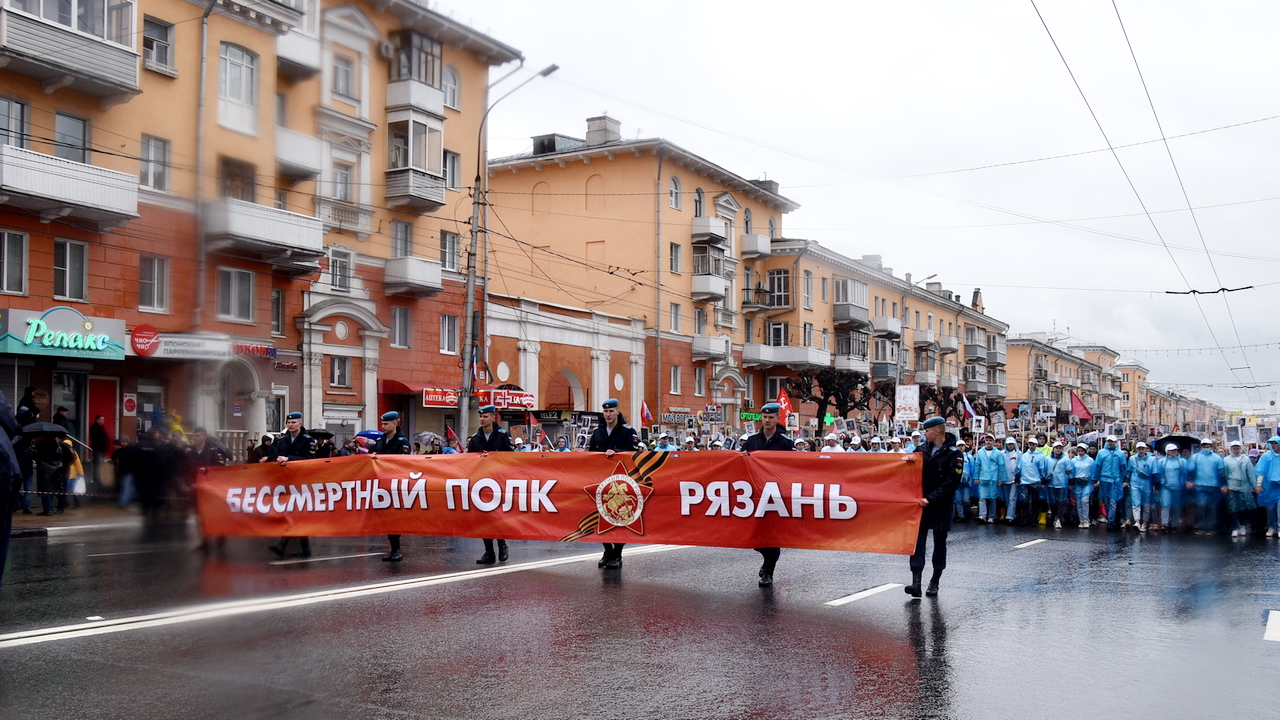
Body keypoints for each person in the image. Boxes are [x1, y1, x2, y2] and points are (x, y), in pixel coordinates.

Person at [903, 417, 963, 599]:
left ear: (936, 431)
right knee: (917, 544)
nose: (924, 434)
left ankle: (935, 581)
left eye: (927, 431)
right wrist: (907, 462)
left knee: (939, 544)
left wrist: (931, 498)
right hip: (921, 504)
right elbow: (910, 471)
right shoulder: (921, 450)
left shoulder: (954, 454)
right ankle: (916, 583)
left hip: (940, 504)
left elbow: (952, 482)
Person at [740, 402, 794, 587]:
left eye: (771, 417)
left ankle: (769, 571)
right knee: (753, 533)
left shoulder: (786, 443)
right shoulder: (752, 441)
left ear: (778, 419)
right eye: (765, 417)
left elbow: (794, 468)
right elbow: (740, 465)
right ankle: (766, 559)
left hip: (777, 495)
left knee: (773, 535)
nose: (767, 420)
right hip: (754, 494)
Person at [587, 398, 642, 570]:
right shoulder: (597, 432)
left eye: (611, 411)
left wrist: (616, 452)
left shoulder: (627, 431)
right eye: (606, 411)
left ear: (618, 411)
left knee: (621, 516)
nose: (608, 415)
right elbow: (591, 454)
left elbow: (635, 452)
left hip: (621, 480)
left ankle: (617, 554)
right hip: (601, 480)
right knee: (600, 514)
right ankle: (607, 550)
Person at [265, 412, 318, 558]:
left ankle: (283, 545)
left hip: (301, 481)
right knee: (293, 513)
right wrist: (268, 459)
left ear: (300, 423)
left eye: (294, 422)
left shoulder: (308, 440)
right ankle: (304, 548)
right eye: (288, 423)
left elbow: (310, 459)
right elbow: (277, 455)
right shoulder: (282, 440)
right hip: (285, 481)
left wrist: (289, 459)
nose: (290, 425)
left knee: (296, 513)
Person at [466, 404, 514, 564]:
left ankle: (502, 544)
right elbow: (470, 461)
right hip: (481, 483)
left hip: (499, 482)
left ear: (493, 417)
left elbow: (511, 458)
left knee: (497, 516)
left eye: (485, 416)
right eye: (480, 416)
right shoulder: (475, 438)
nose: (482, 419)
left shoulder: (502, 435)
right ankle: (489, 552)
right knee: (483, 518)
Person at [372, 411, 412, 562]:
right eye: (382, 423)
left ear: (395, 424)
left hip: (396, 485)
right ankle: (394, 549)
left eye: (386, 424)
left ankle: (397, 550)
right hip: (382, 485)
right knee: (388, 518)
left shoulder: (402, 442)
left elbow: (404, 462)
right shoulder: (380, 441)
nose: (383, 426)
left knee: (394, 517)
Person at [1188, 438, 1226, 534]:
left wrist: (1224, 485)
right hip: (1199, 485)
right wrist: (1189, 481)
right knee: (1201, 505)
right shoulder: (1195, 457)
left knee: (1212, 506)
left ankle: (1210, 527)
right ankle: (1202, 526)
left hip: (1214, 486)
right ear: (1201, 447)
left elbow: (1221, 472)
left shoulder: (1217, 458)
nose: (1206, 448)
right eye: (1204, 446)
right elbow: (1190, 470)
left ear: (1211, 446)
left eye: (1207, 446)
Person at [1093, 436, 1128, 531]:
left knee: (1113, 501)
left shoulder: (1120, 454)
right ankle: (1111, 517)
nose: (1110, 443)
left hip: (1116, 480)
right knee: (1106, 500)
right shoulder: (1101, 453)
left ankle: (1111, 522)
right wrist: (1095, 479)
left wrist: (1124, 479)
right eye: (1109, 441)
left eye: (1112, 441)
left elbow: (1123, 467)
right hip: (1104, 480)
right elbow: (1097, 466)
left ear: (1116, 442)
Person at [1223, 441, 1256, 538]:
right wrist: (1225, 485)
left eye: (1237, 448)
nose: (1236, 450)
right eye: (1234, 448)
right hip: (1231, 485)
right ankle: (1234, 528)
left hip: (1244, 486)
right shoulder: (1226, 460)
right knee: (1233, 508)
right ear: (1231, 449)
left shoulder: (1245, 459)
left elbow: (1250, 473)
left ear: (1240, 449)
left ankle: (1242, 525)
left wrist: (1254, 486)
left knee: (1243, 508)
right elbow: (1224, 474)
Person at [1154, 443, 1188, 532]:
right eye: (1172, 450)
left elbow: (1185, 474)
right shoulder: (1161, 462)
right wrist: (1158, 485)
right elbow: (1158, 474)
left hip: (1179, 487)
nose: (1174, 452)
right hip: (1166, 486)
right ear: (1167, 452)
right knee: (1165, 505)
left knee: (1176, 506)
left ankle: (1174, 525)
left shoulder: (1182, 462)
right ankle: (1165, 524)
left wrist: (1185, 484)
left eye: (1175, 450)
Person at [973, 434, 1006, 523]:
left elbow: (1001, 466)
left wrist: (1001, 479)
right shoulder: (980, 452)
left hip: (994, 478)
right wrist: (976, 477)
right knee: (982, 497)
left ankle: (992, 516)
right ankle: (982, 515)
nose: (988, 442)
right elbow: (977, 465)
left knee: (993, 498)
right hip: (983, 477)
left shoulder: (998, 453)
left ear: (994, 442)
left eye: (990, 440)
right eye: (987, 440)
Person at [1016, 438, 1048, 526]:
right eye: (1030, 444)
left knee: (1035, 501)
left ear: (1036, 445)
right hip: (1025, 481)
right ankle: (1025, 518)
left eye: (1033, 444)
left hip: (1036, 481)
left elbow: (1042, 469)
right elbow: (1019, 467)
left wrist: (1043, 480)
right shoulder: (1024, 455)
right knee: (1024, 501)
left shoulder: (1040, 456)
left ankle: (1034, 519)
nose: (1032, 446)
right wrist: (1017, 478)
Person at [1127, 442, 1157, 532]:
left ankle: (1145, 522)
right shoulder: (1132, 459)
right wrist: (1127, 481)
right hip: (1135, 483)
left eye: (1142, 449)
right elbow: (1129, 471)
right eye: (1139, 449)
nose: (1141, 450)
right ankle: (1137, 521)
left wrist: (1155, 485)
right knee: (1135, 503)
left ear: (1145, 449)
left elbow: (1154, 473)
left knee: (1146, 504)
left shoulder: (1152, 460)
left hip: (1147, 484)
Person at [1256, 436, 1280, 537]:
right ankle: (1272, 527)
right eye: (1272, 443)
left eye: (1275, 443)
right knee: (1270, 508)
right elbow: (1261, 471)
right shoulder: (1266, 457)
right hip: (1269, 487)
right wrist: (1258, 484)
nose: (1273, 445)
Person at [1046, 442, 1071, 528]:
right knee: (1052, 502)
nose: (1058, 450)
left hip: (1061, 483)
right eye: (1056, 448)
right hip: (1051, 483)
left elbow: (1069, 471)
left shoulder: (1065, 459)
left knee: (1060, 502)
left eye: (1060, 448)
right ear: (1053, 448)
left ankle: (1058, 519)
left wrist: (1071, 481)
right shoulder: (1047, 459)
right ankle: (1054, 516)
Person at [1071, 442, 1096, 527]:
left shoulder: (1090, 460)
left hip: (1087, 483)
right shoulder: (1074, 460)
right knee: (1079, 502)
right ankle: (1081, 519)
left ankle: (1086, 519)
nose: (1080, 452)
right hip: (1077, 483)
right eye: (1079, 451)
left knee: (1085, 501)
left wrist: (1094, 482)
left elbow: (1093, 471)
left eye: (1082, 451)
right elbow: (1071, 472)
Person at [1000, 437, 1020, 522]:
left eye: (1012, 444)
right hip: (1005, 479)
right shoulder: (1002, 454)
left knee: (1012, 498)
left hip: (1014, 479)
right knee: (1007, 498)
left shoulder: (1018, 453)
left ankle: (1010, 517)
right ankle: (1010, 513)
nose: (1010, 446)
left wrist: (1018, 477)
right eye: (1009, 444)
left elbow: (1020, 466)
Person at [89, 414, 111, 493]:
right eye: (101, 419)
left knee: (99, 465)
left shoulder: (99, 428)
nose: (103, 421)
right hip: (98, 449)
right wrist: (103, 446)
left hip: (101, 450)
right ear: (97, 420)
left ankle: (98, 479)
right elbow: (98, 439)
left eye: (103, 419)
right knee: (97, 465)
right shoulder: (95, 428)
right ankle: (97, 480)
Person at [952, 439, 971, 522]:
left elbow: (972, 469)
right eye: (959, 446)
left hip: (966, 482)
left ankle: (968, 511)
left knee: (966, 499)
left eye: (962, 446)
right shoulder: (953, 457)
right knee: (957, 500)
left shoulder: (969, 457)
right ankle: (961, 515)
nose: (960, 447)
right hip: (957, 481)